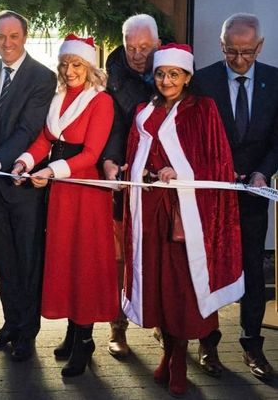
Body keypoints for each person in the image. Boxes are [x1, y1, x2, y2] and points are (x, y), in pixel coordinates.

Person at [123, 44, 244, 396]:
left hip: (187, 217)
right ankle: (167, 352)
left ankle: (178, 358)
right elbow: (136, 154)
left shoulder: (203, 109)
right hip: (151, 213)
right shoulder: (143, 111)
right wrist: (139, 171)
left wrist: (181, 172)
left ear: (188, 77)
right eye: (161, 74)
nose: (166, 81)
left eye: (174, 74)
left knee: (182, 290)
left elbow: (218, 161)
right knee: (157, 286)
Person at [12, 34, 118, 377]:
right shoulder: (58, 97)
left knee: (84, 263)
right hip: (61, 192)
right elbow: (45, 139)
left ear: (89, 67)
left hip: (85, 192)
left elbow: (91, 154)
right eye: (65, 64)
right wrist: (25, 162)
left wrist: (49, 171)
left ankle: (85, 340)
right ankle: (74, 332)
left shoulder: (101, 102)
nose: (69, 71)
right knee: (66, 260)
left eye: (77, 65)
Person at [193, 13, 278, 382]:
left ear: (260, 46)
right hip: (214, 192)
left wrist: (262, 172)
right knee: (208, 268)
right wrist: (216, 169)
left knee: (253, 269)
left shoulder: (275, 81)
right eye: (231, 52)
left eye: (247, 52)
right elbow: (193, 137)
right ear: (221, 45)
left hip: (254, 192)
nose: (239, 60)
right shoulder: (203, 80)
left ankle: (252, 344)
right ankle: (207, 342)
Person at [0, 10, 57, 362]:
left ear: (25, 37)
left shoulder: (42, 77)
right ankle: (10, 324)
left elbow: (27, 129)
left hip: (23, 186)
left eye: (13, 36)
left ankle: (27, 332)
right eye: (0, 36)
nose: (6, 43)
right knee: (4, 261)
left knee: (27, 261)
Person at [101, 14, 161, 357]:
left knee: (159, 255)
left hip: (162, 182)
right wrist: (110, 161)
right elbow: (112, 127)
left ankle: (160, 321)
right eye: (131, 47)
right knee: (119, 256)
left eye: (145, 48)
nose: (137, 55)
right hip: (123, 178)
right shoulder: (113, 77)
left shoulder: (176, 73)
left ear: (158, 45)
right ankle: (117, 326)